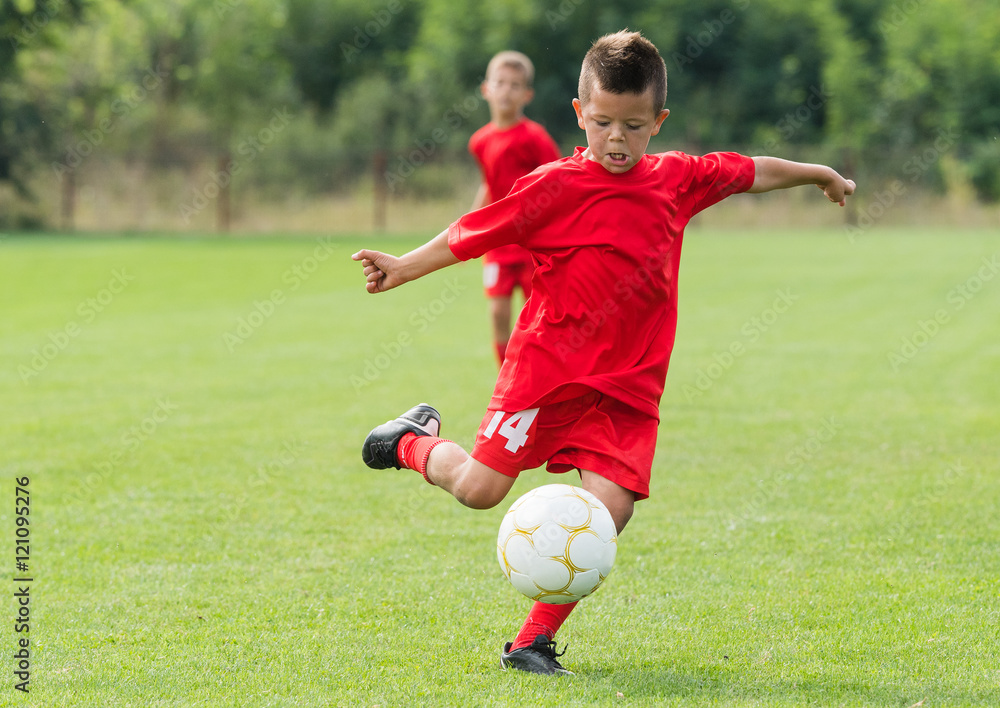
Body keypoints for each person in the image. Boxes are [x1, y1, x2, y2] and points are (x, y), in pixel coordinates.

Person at [353, 30, 855, 676]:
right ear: (579, 114)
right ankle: (412, 441)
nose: (617, 138)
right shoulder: (551, 187)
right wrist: (401, 267)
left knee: (608, 513)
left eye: (634, 126)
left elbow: (751, 171)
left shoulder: (677, 180)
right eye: (603, 122)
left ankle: (530, 642)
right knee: (479, 491)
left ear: (659, 123)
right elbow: (469, 235)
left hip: (627, 390)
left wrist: (818, 174)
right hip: (544, 375)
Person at [468, 51, 562, 368]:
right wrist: (467, 226)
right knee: (497, 315)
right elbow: (489, 186)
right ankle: (506, 382)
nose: (506, 90)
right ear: (486, 89)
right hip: (497, 245)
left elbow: (557, 182)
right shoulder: (479, 141)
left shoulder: (535, 137)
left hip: (532, 246)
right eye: (500, 83)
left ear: (527, 94)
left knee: (538, 320)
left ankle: (541, 378)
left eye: (515, 84)